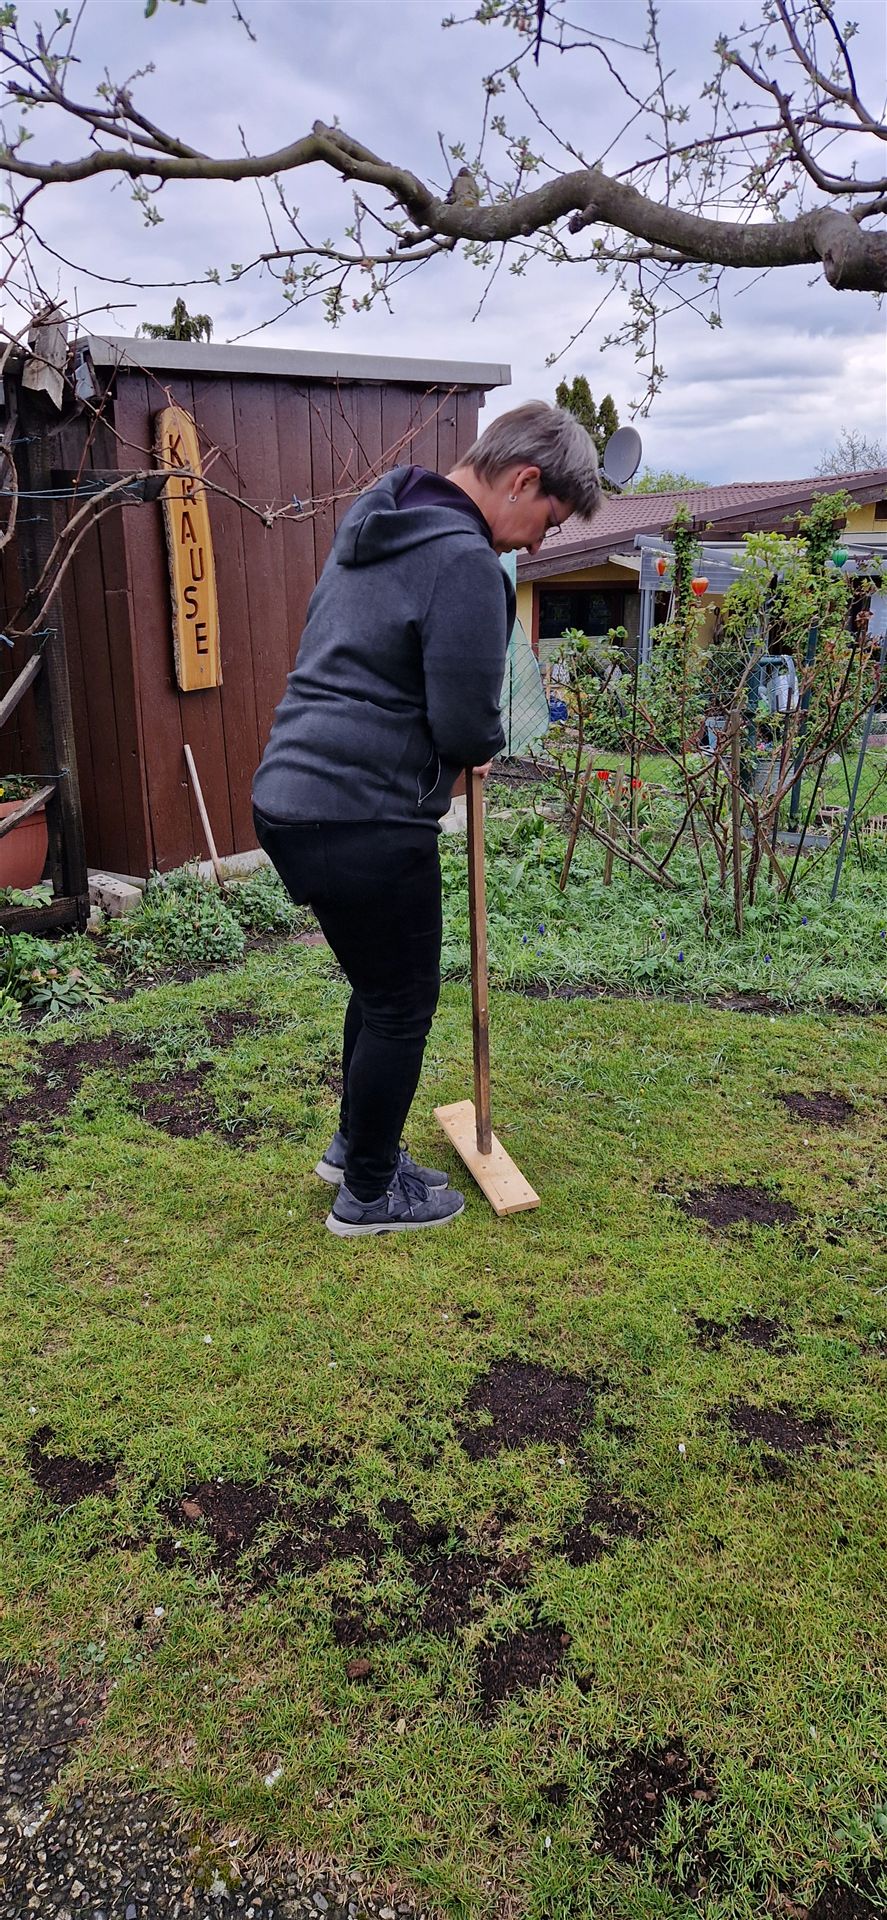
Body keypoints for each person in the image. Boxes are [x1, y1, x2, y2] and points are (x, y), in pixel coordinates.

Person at [252, 399, 600, 1236]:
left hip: (291, 797)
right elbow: (463, 723)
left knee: (378, 989)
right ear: (523, 480)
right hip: (364, 813)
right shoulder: (465, 561)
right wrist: (476, 745)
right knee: (402, 1005)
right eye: (547, 521)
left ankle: (353, 1148)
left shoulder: (379, 519)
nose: (535, 546)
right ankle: (369, 1194)